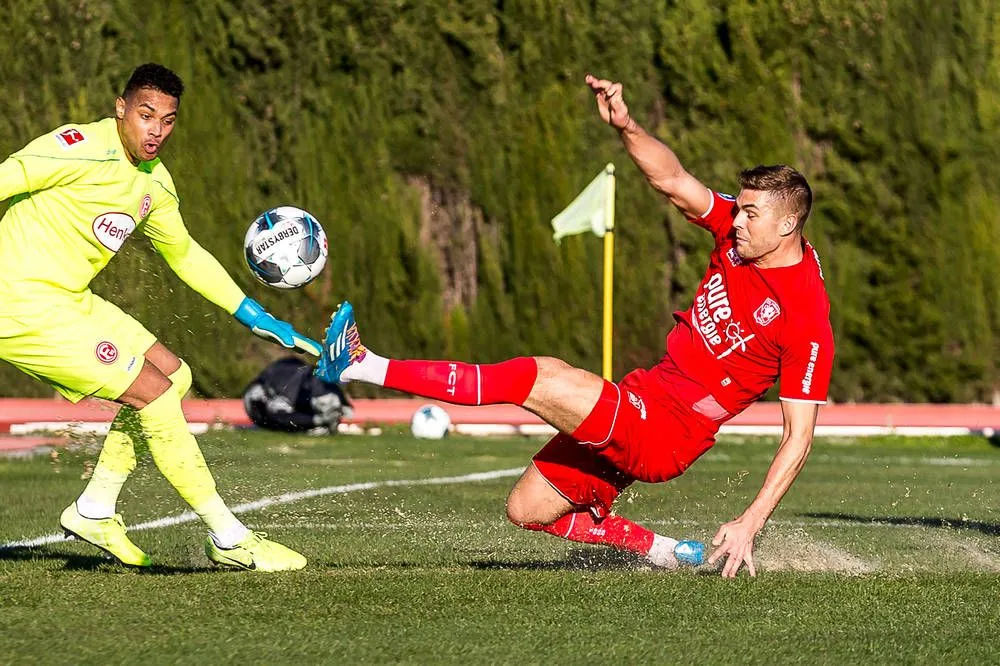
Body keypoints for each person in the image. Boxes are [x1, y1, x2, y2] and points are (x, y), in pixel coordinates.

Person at [315, 73, 835, 577]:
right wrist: (627, 126)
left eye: (749, 214)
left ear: (787, 224)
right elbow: (673, 180)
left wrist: (750, 523)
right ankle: (665, 551)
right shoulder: (739, 237)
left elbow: (799, 437)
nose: (735, 220)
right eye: (738, 210)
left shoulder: (805, 313)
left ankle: (364, 364)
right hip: (645, 395)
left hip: (666, 433)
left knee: (536, 376)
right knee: (527, 508)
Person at [0, 63, 318, 571]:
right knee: (153, 393)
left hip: (69, 299)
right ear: (121, 108)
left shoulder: (156, 183)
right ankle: (230, 537)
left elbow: (186, 254)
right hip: (17, 304)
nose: (156, 131)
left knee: (174, 374)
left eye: (168, 120)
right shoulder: (77, 145)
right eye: (146, 115)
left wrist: (253, 313)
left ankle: (95, 509)